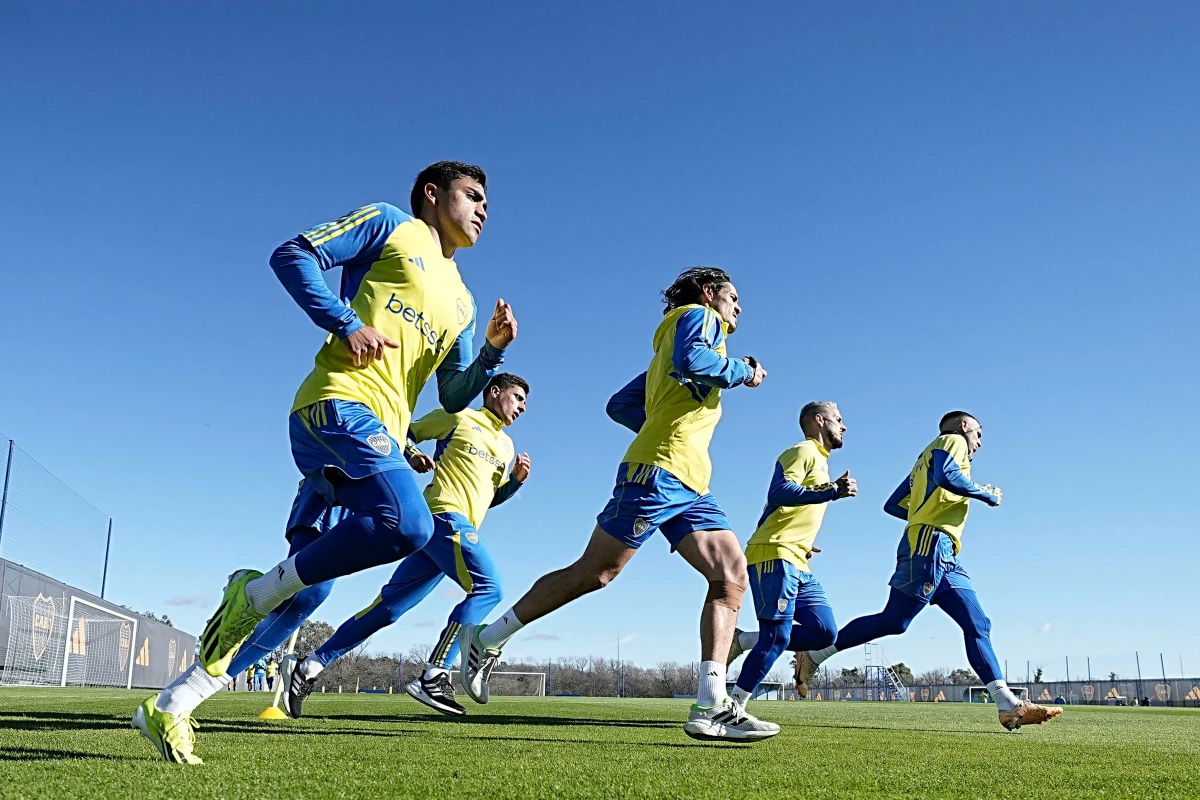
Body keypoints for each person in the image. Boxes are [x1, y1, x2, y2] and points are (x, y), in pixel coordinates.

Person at [133, 161, 518, 764]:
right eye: (472, 197)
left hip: (375, 438)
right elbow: (292, 254)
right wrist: (346, 324)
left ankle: (176, 703)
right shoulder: (392, 226)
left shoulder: (464, 302)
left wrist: (490, 353)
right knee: (412, 525)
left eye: (487, 204)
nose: (482, 210)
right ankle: (257, 595)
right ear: (431, 194)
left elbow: (451, 394)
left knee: (321, 586)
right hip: (335, 405)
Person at [460, 267, 778, 742]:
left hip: (690, 482)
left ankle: (711, 705)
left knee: (731, 574)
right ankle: (485, 639)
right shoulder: (699, 319)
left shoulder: (663, 353)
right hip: (660, 473)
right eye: (733, 297)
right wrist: (744, 371)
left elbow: (621, 404)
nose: (739, 307)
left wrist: (661, 425)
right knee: (595, 573)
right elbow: (696, 361)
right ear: (711, 295)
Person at [282, 373, 532, 717]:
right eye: (518, 397)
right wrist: (413, 454)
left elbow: (491, 497)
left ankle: (308, 667)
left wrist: (515, 483)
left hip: (453, 535)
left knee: (388, 609)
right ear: (495, 391)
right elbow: (403, 432)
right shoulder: (458, 416)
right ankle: (435, 675)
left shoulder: (507, 447)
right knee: (489, 587)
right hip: (442, 516)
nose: (522, 407)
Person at [794, 412, 1063, 731]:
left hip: (943, 550)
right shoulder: (953, 441)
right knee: (894, 621)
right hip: (929, 545)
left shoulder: (924, 460)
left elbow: (893, 504)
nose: (980, 441)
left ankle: (1008, 705)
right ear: (965, 427)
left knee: (977, 623)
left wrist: (923, 510)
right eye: (979, 433)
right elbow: (948, 475)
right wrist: (985, 494)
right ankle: (812, 651)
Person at [725, 401, 857, 716]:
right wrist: (831, 491)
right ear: (819, 420)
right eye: (838, 419)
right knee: (777, 637)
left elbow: (775, 510)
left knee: (826, 632)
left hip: (796, 558)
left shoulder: (820, 461)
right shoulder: (803, 451)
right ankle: (734, 708)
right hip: (775, 555)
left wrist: (803, 541)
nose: (844, 426)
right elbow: (778, 492)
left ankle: (742, 641)